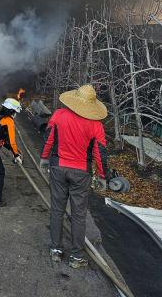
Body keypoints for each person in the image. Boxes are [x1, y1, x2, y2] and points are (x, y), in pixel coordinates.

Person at [39, 85, 109, 269]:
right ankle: (76, 257)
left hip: (58, 168)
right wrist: (103, 176)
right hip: (81, 173)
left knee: (57, 209)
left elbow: (48, 139)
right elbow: (100, 153)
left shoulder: (59, 115)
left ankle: (56, 250)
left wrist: (44, 158)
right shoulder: (96, 125)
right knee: (78, 215)